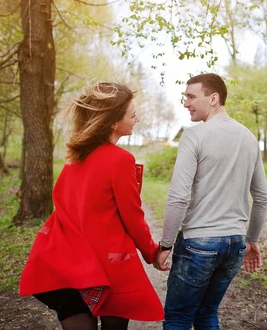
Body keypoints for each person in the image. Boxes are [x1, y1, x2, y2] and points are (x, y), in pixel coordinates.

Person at [19, 82, 163, 330]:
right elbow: (133, 218)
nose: (137, 118)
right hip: (108, 268)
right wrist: (152, 253)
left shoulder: (75, 157)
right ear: (113, 122)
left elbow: (64, 208)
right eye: (132, 114)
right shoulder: (120, 159)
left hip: (68, 264)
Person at [153, 73, 267, 329]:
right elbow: (262, 197)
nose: (186, 103)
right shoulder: (249, 138)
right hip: (234, 246)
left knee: (178, 318)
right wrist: (251, 240)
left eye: (192, 97)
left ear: (214, 98)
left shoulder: (194, 135)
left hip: (199, 244)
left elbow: (179, 196)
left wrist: (165, 245)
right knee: (207, 313)